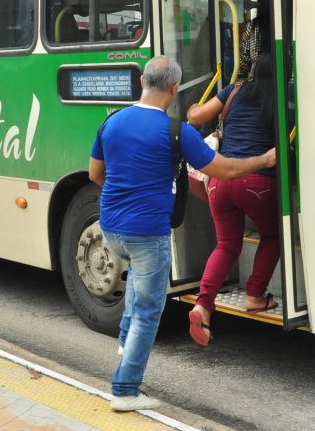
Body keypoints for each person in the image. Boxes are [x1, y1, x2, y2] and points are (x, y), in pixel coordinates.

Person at [89, 55, 276, 412]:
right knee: (148, 310)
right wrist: (263, 162)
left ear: (143, 79)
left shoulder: (111, 123)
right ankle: (125, 390)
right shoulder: (176, 131)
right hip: (148, 232)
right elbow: (223, 168)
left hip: (110, 227)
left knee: (134, 283)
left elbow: (95, 174)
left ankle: (126, 342)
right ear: (175, 88)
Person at [185, 54, 279, 347]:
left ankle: (203, 305)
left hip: (220, 181)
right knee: (274, 236)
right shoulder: (285, 92)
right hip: (257, 180)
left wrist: (192, 107)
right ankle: (254, 295)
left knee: (227, 245)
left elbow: (196, 117)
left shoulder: (234, 89)